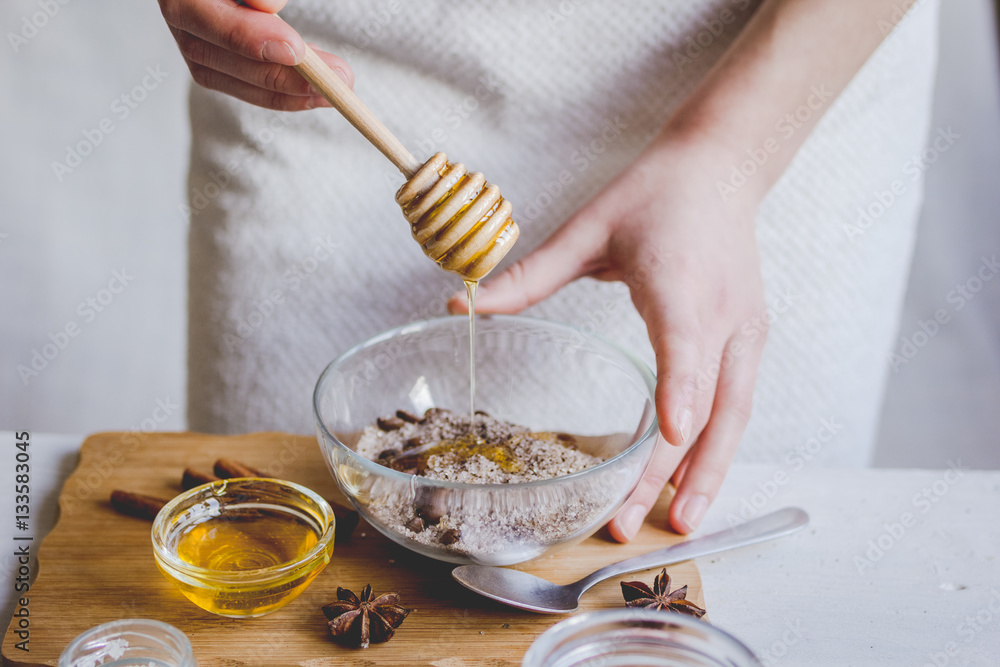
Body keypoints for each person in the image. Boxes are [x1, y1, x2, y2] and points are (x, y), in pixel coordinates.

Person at [159, 0, 938, 539]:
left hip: (779, 83)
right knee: (276, 521)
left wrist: (726, 155)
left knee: (719, 534)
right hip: (326, 78)